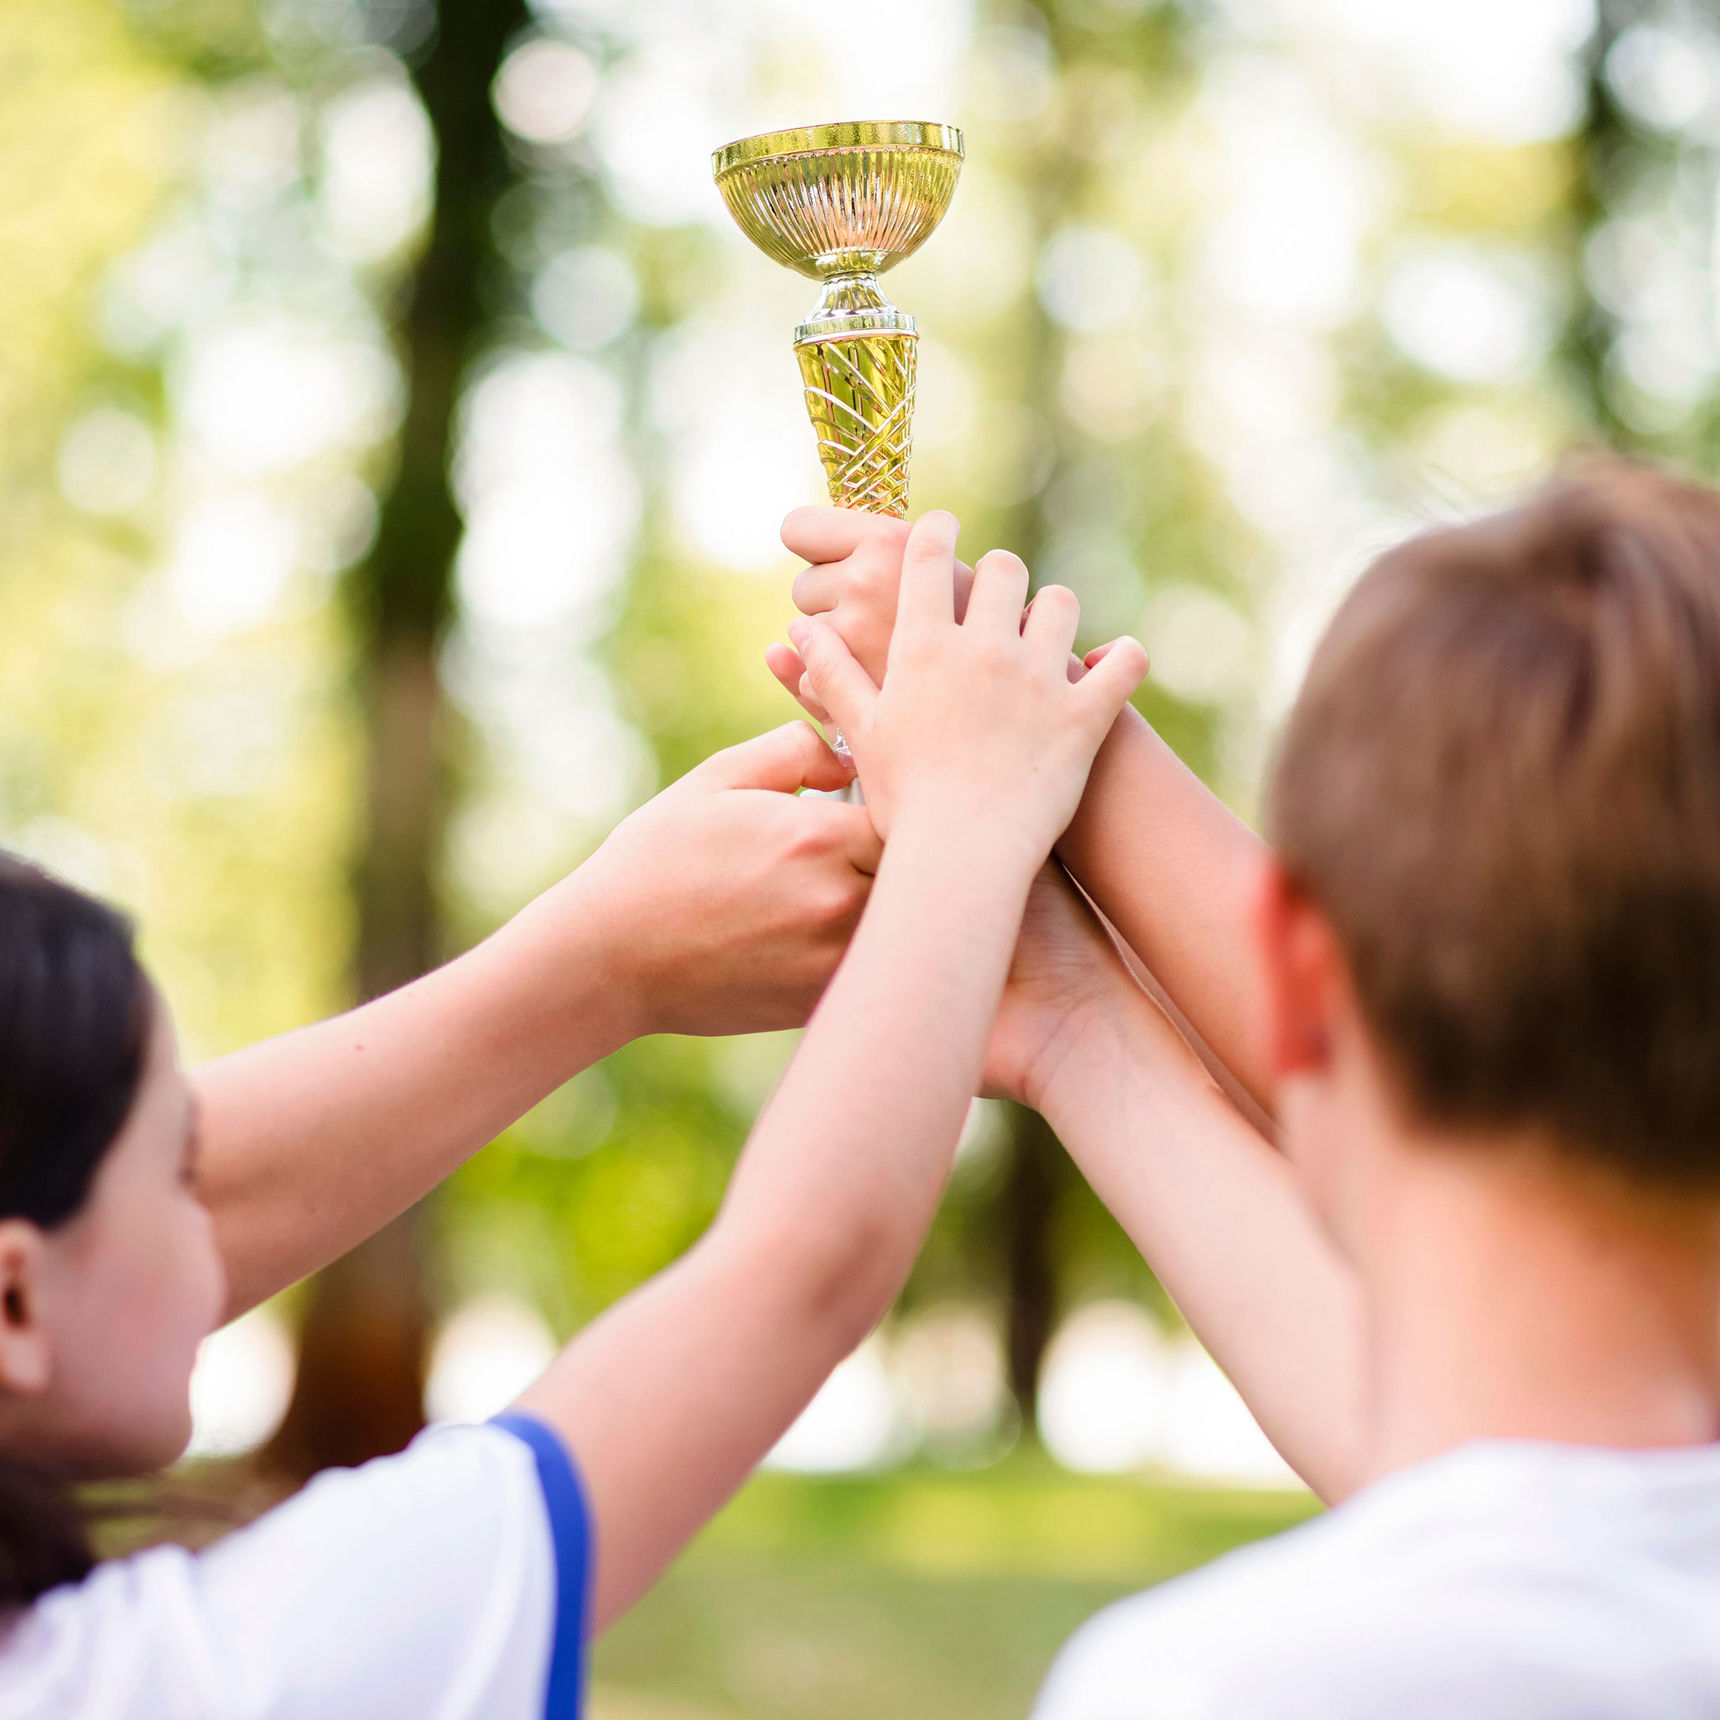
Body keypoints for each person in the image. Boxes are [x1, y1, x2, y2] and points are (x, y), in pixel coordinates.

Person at [0, 512, 1146, 1719]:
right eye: (179, 1169)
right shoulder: (205, 1674)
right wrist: (967, 817)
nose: (219, 1210)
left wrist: (611, 956)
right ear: (14, 1299)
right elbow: (799, 1270)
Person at [774, 461, 1720, 1715]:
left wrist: (1024, 732)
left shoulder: (1205, 1688)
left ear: (1297, 969)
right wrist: (1074, 1019)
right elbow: (1517, 1482)